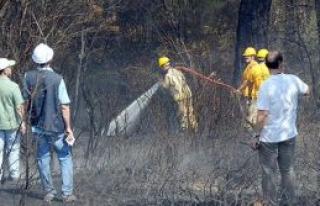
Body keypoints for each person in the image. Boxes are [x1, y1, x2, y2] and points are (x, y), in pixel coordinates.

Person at [252, 51, 310, 206]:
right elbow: (307, 90)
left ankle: (270, 203)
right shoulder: (293, 80)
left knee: (269, 173)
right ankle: (290, 202)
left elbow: (263, 115)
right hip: (289, 135)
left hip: (269, 138)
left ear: (265, 65)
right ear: (281, 63)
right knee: (288, 170)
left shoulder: (265, 87)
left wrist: (256, 135)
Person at [23, 43, 76, 202]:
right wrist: (68, 128)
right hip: (57, 128)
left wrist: (24, 121)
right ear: (50, 59)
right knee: (65, 158)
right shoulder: (58, 79)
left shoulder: (28, 77)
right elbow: (64, 106)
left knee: (42, 159)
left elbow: (24, 102)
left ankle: (49, 193)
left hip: (38, 128)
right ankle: (67, 194)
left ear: (35, 61)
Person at [0, 58, 25, 181]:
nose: (11, 68)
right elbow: (19, 106)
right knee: (13, 149)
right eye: (9, 67)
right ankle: (14, 175)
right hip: (11, 124)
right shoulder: (13, 86)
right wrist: (22, 122)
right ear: (4, 70)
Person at [158, 56, 198, 132]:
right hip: (188, 93)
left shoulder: (167, 76)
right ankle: (194, 127)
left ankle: (184, 129)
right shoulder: (177, 71)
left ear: (163, 66)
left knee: (183, 112)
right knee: (190, 111)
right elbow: (184, 79)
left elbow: (165, 86)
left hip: (180, 96)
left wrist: (160, 82)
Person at [236, 47, 258, 131]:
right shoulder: (249, 66)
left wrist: (239, 89)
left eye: (247, 56)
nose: (245, 57)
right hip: (249, 95)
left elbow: (248, 81)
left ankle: (253, 137)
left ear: (253, 56)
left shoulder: (253, 66)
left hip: (252, 96)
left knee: (251, 119)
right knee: (249, 117)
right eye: (245, 56)